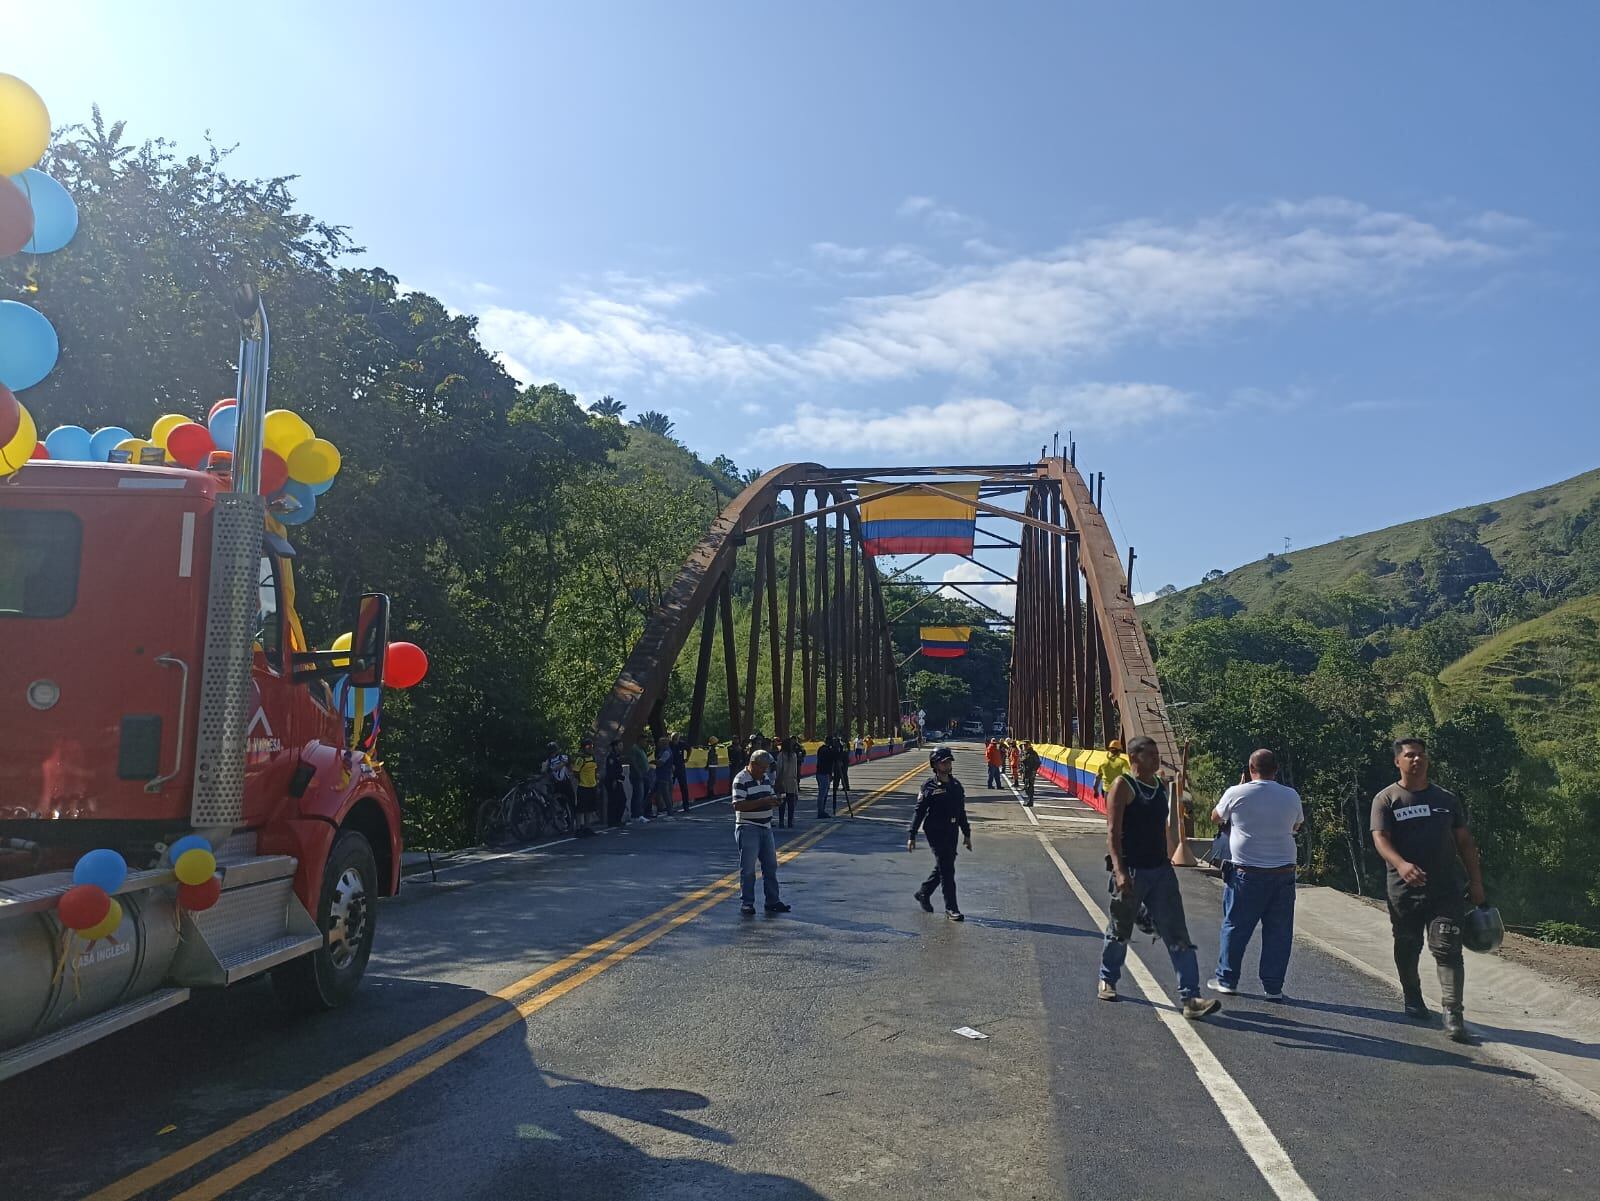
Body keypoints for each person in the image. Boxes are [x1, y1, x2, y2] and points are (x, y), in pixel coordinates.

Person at [1371, 737, 1487, 1044]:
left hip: (1446, 890)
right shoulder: (1387, 799)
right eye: (1410, 755)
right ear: (1398, 761)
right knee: (1407, 945)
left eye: (1421, 755)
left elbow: (1465, 843)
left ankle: (1453, 1014)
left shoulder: (1446, 799)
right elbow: (1380, 838)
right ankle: (1412, 997)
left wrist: (1476, 881)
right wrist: (1401, 865)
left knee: (1447, 948)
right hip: (1403, 891)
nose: (1417, 760)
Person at [1097, 735, 1219, 1020]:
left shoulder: (1160, 787)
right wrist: (1119, 871)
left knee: (1177, 933)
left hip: (1161, 871)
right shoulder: (1123, 786)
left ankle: (1191, 998)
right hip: (1132, 870)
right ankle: (1108, 978)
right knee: (1120, 930)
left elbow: (1164, 828)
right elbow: (1113, 832)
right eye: (1150, 754)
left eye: (1157, 754)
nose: (1157, 759)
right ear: (1134, 757)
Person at [1207, 749, 1303, 999]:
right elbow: (1296, 825)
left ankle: (1227, 980)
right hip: (1283, 872)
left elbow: (1215, 817)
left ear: (1251, 769)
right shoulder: (1291, 795)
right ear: (1276, 770)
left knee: (1235, 926)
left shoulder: (1236, 792)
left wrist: (1238, 791)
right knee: (1278, 932)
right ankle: (1273, 987)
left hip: (1246, 872)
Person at [908, 745, 971, 920]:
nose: (947, 765)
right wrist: (912, 834)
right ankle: (951, 908)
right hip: (935, 830)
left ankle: (924, 892)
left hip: (952, 829)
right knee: (947, 868)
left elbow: (961, 812)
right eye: (943, 762)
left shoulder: (956, 785)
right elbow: (919, 811)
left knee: (945, 864)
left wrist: (967, 834)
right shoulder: (929, 786)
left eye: (949, 762)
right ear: (935, 765)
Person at [731, 749, 790, 915]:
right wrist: (763, 801)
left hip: (766, 826)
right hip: (748, 826)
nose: (764, 771)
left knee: (771, 866)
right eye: (762, 767)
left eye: (766, 768)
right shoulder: (741, 779)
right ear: (753, 764)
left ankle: (772, 900)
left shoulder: (764, 778)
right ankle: (747, 903)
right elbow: (738, 805)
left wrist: (775, 801)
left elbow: (769, 796)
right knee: (748, 868)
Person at [571, 738, 599, 838]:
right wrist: (581, 780)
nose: (591, 748)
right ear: (583, 748)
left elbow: (595, 770)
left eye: (592, 746)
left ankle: (587, 827)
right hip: (583, 786)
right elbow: (575, 772)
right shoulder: (580, 759)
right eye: (588, 746)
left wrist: (596, 781)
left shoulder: (593, 757)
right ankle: (578, 829)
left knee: (590, 808)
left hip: (592, 786)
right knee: (581, 809)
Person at [774, 735, 801, 828]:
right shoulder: (794, 755)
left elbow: (779, 769)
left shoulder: (781, 755)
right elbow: (795, 770)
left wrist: (777, 781)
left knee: (782, 803)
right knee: (791, 803)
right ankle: (790, 822)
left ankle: (781, 822)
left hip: (783, 781)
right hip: (792, 781)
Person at [603, 739, 627, 830]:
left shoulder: (617, 756)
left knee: (621, 800)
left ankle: (617, 820)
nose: (622, 747)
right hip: (613, 780)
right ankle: (612, 821)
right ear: (615, 746)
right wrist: (614, 780)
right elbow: (611, 770)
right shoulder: (611, 757)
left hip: (617, 779)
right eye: (620, 745)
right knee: (614, 801)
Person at [629, 737, 653, 823]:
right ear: (640, 740)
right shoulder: (635, 748)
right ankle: (636, 815)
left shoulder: (642, 749)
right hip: (637, 775)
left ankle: (641, 813)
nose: (646, 743)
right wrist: (638, 771)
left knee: (643, 794)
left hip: (644, 774)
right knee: (639, 795)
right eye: (645, 741)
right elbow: (633, 761)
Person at [654, 737, 675, 817]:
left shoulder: (666, 752)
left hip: (664, 776)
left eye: (660, 742)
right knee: (656, 793)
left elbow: (660, 763)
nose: (658, 744)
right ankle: (661, 809)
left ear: (664, 743)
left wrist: (654, 762)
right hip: (661, 775)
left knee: (666, 795)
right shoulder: (663, 751)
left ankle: (670, 812)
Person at [814, 736, 834, 818]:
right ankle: (820, 811)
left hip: (821, 773)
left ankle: (822, 810)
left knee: (823, 793)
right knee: (822, 794)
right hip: (823, 773)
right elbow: (834, 757)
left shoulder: (821, 749)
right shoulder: (827, 750)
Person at [671, 733, 692, 812]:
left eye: (676, 739)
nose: (675, 740)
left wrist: (687, 758)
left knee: (684, 786)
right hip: (672, 768)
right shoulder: (669, 745)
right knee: (670, 787)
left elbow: (689, 749)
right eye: (674, 739)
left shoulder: (682, 744)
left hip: (680, 767)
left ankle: (686, 805)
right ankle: (670, 806)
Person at [831, 736, 852, 811]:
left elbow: (845, 753)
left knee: (842, 774)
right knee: (838, 775)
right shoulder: (839, 746)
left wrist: (841, 760)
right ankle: (837, 786)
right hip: (841, 761)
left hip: (843, 761)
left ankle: (845, 786)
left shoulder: (843, 745)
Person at [1021, 741, 1041, 807]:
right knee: (1026, 787)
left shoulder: (1033, 753)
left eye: (1025, 745)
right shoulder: (1025, 753)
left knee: (1030, 786)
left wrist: (1034, 770)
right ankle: (1029, 799)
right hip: (1026, 772)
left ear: (1029, 745)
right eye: (1024, 745)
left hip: (1031, 772)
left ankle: (1030, 801)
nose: (1024, 746)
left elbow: (1038, 762)